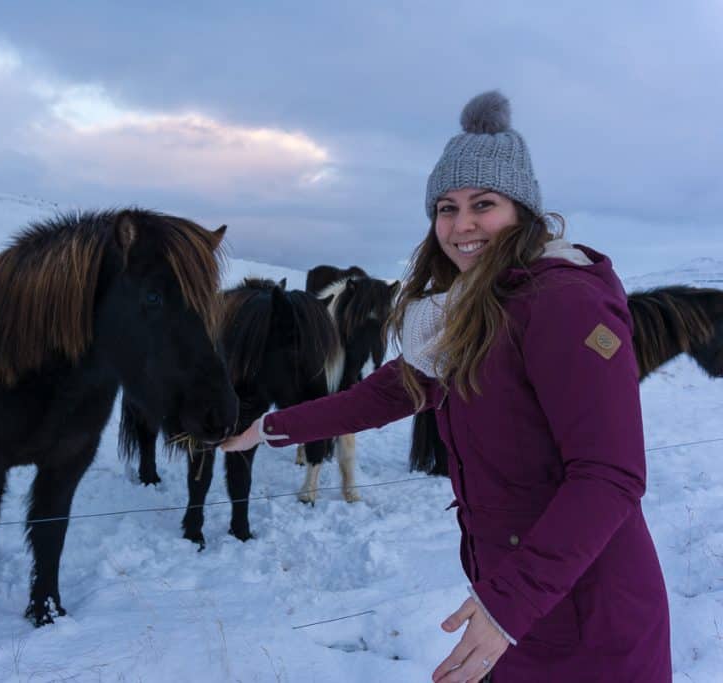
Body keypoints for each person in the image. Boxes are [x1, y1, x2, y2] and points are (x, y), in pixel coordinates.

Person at [221, 91, 671, 682]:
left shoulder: (563, 303)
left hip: (588, 615)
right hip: (516, 601)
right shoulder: (467, 309)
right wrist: (272, 427)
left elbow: (610, 475)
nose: (461, 227)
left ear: (522, 210)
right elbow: (390, 390)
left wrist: (511, 605)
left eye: (483, 204)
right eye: (446, 208)